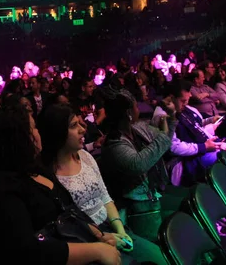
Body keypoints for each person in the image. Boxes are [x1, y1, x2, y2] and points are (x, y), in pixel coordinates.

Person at [0, 105, 122, 265]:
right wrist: (97, 251)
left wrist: (97, 235)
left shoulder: (35, 169)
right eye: (34, 128)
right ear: (21, 138)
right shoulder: (1, 190)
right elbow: (29, 251)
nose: (38, 133)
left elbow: (69, 211)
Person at [39, 104, 168, 265]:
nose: (82, 129)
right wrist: (103, 237)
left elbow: (105, 197)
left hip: (112, 225)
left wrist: (120, 229)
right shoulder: (48, 175)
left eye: (80, 123)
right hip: (85, 240)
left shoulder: (85, 156)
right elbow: (66, 225)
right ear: (57, 132)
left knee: (161, 258)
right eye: (73, 126)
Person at [100, 87, 177, 243]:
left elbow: (164, 143)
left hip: (151, 197)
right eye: (136, 106)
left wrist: (170, 117)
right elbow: (139, 164)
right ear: (128, 112)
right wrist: (163, 133)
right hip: (135, 208)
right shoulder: (114, 143)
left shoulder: (137, 128)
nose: (139, 110)